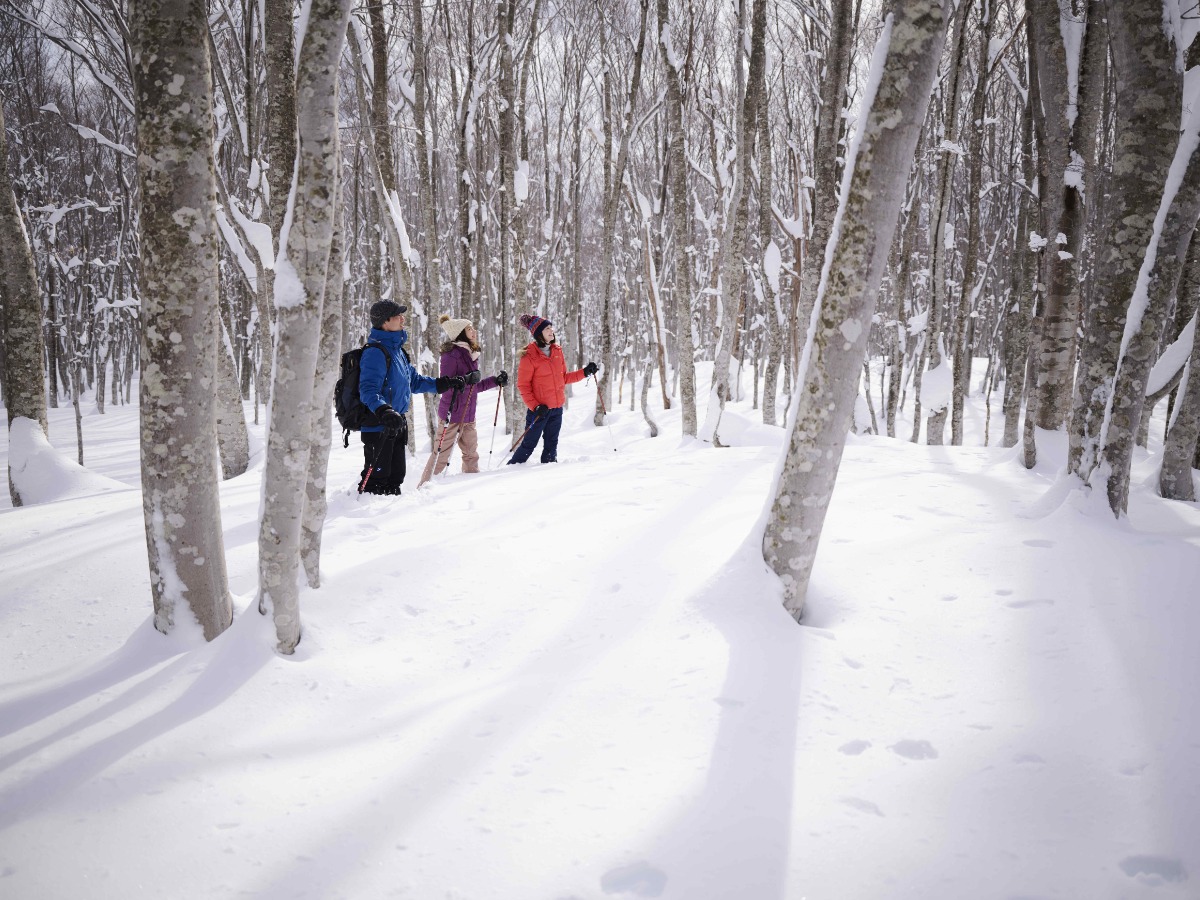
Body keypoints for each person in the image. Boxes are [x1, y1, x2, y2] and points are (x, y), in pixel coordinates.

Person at [358, 300, 465, 495]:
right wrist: (384, 410)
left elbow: (414, 382)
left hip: (396, 424)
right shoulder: (375, 352)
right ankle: (366, 520)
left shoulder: (397, 351)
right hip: (379, 425)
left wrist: (444, 383)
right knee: (376, 482)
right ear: (385, 322)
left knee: (396, 477)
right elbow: (367, 390)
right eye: (398, 315)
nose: (403, 318)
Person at [417, 314, 508, 485]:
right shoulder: (451, 355)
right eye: (469, 329)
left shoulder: (470, 353)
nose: (473, 331)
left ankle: (470, 484)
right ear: (460, 333)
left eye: (472, 328)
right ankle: (424, 487)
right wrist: (467, 379)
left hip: (469, 415)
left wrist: (495, 380)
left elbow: (475, 387)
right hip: (453, 415)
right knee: (441, 455)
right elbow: (448, 384)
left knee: (471, 454)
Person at [508, 313, 598, 465]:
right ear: (539, 333)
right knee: (529, 444)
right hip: (539, 411)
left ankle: (549, 473)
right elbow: (523, 386)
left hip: (556, 408)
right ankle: (512, 469)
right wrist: (535, 406)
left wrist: (585, 372)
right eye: (547, 328)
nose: (551, 331)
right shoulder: (529, 356)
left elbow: (563, 378)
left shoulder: (557, 351)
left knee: (551, 445)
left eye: (551, 328)